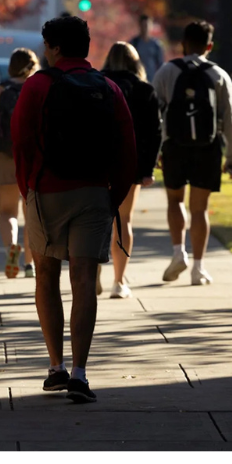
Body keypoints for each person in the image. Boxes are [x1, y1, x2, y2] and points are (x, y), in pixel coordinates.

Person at [11, 14, 137, 404]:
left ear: (55, 48)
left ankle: (55, 366)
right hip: (95, 193)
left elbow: (20, 143)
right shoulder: (108, 88)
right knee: (85, 281)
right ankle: (80, 373)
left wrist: (29, 188)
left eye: (47, 46)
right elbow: (128, 150)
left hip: (47, 190)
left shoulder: (38, 86)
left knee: (46, 276)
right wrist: (110, 195)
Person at [152, 21, 232, 287]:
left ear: (182, 44)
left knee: (175, 201)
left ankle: (179, 252)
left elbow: (153, 113)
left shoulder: (167, 71)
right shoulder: (219, 75)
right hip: (208, 148)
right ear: (209, 46)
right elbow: (230, 116)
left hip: (174, 146)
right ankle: (198, 269)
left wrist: (155, 149)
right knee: (200, 209)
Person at [101, 42, 160, 299]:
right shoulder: (144, 90)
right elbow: (153, 133)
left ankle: (92, 275)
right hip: (131, 163)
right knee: (123, 221)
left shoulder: (98, 85)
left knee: (97, 220)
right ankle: (118, 280)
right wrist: (147, 169)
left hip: (99, 164)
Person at [0, 47, 40, 280]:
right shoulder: (36, 87)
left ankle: (11, 251)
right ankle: (29, 264)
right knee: (31, 213)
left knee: (8, 211)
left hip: (6, 155)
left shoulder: (0, 90)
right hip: (33, 157)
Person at [129, 13, 165, 85]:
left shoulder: (156, 45)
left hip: (152, 81)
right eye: (143, 25)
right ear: (139, 25)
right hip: (137, 81)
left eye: (147, 25)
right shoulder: (134, 43)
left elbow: (160, 64)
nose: (145, 28)